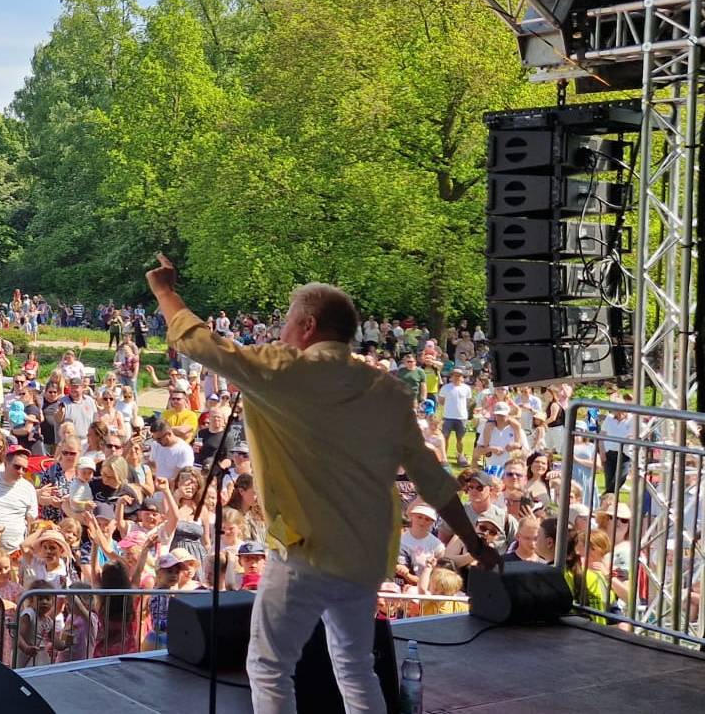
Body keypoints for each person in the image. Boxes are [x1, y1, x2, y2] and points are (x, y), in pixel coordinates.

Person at [144, 255, 497, 714]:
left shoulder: (282, 370)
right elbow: (433, 479)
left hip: (304, 552)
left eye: (288, 321)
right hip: (367, 554)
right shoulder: (387, 391)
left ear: (308, 326)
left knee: (270, 667)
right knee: (354, 665)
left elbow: (200, 344)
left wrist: (165, 291)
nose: (282, 331)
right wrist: (476, 543)